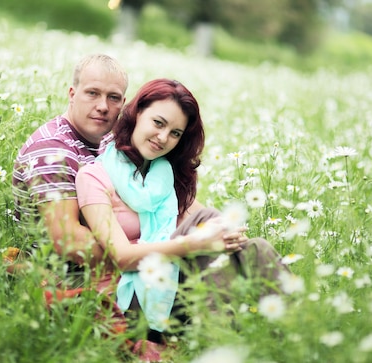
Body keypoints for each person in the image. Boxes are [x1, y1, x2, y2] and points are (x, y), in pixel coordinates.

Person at [75, 78, 288, 352]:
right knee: (206, 226)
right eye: (159, 123)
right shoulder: (94, 176)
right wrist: (197, 243)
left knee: (257, 248)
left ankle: (293, 338)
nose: (163, 138)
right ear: (137, 114)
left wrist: (223, 237)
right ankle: (221, 340)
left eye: (175, 133)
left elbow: (214, 225)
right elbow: (122, 258)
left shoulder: (161, 176)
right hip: (129, 297)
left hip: (171, 286)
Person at [11, 53, 128, 285]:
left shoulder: (107, 142)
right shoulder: (52, 150)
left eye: (113, 97)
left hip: (102, 266)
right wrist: (148, 259)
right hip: (62, 278)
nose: (103, 106)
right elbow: (69, 241)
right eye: (92, 93)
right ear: (72, 95)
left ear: (123, 104)